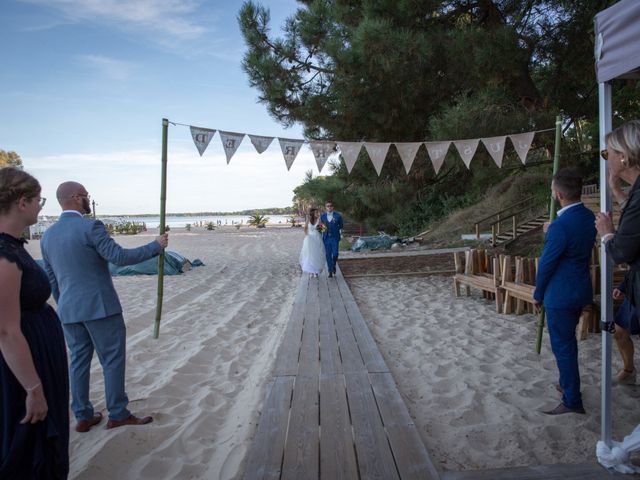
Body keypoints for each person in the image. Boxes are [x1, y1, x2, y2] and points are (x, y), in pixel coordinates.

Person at [40, 181, 168, 432]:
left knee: (78, 361)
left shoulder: (48, 236)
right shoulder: (91, 227)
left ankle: (83, 415)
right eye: (87, 196)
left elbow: (52, 278)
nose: (89, 200)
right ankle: (118, 413)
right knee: (112, 360)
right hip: (100, 307)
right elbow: (119, 258)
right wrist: (156, 246)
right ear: (77, 198)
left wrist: (64, 302)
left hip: (68, 309)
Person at [0, 167, 69, 479]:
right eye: (40, 201)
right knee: (30, 439)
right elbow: (6, 330)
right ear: (22, 202)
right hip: (25, 363)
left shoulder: (14, 246)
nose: (42, 208)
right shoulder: (4, 256)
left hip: (39, 351)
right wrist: (33, 389)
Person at [534, 168, 596, 415]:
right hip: (581, 288)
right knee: (567, 344)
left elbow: (547, 263)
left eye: (552, 190)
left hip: (561, 294)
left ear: (559, 194)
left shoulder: (560, 226)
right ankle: (566, 384)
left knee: (564, 346)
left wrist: (538, 294)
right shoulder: (589, 217)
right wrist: (552, 233)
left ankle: (572, 399)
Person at [596, 119, 640, 385]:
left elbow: (622, 250)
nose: (605, 158)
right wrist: (615, 190)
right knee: (620, 329)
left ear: (623, 157)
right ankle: (629, 368)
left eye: (607, 153)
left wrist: (607, 234)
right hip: (633, 284)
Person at [299, 207, 326, 278]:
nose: (318, 213)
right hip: (310, 239)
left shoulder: (319, 220)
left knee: (317, 255)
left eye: (318, 212)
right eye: (316, 212)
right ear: (313, 214)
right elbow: (305, 229)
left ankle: (316, 272)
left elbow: (323, 230)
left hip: (317, 239)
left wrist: (321, 225)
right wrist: (307, 236)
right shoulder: (308, 220)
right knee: (310, 255)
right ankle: (311, 271)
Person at [320, 201, 343, 278]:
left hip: (335, 237)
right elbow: (320, 228)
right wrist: (324, 231)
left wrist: (335, 229)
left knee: (335, 253)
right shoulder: (322, 216)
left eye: (330, 206)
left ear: (333, 207)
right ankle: (330, 271)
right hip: (326, 238)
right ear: (325, 207)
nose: (329, 207)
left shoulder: (338, 216)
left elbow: (341, 225)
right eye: (328, 206)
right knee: (328, 255)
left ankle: (333, 265)